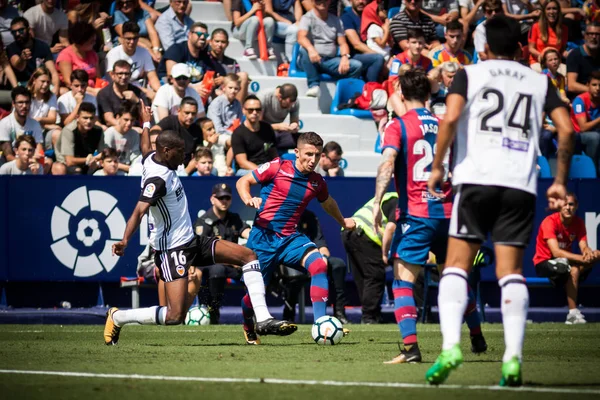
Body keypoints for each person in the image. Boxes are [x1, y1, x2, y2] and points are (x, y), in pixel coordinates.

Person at [424, 15, 574, 386]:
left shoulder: (469, 73)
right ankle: (511, 360)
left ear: (484, 47)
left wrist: (438, 166)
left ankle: (449, 348)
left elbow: (451, 117)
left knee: (456, 266)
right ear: (521, 49)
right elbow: (568, 129)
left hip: (475, 179)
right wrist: (558, 181)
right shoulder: (540, 81)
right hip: (519, 185)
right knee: (511, 273)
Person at [105, 100, 296, 346]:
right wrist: (124, 240)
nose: (185, 157)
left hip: (192, 242)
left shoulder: (152, 158)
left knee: (249, 256)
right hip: (172, 249)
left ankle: (263, 319)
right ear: (166, 152)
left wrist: (145, 122)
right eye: (179, 152)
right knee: (174, 316)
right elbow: (138, 211)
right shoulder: (157, 179)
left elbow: (145, 149)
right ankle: (118, 316)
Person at [374, 68, 486, 364]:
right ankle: (476, 334)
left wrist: (376, 202)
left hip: (417, 214)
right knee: (453, 279)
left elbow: (387, 164)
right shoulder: (445, 124)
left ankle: (410, 349)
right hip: (449, 214)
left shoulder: (398, 126)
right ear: (428, 94)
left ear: (399, 94)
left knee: (402, 282)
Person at [236, 131, 356, 344]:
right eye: (309, 154)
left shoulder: (317, 182)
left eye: (317, 155)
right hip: (263, 238)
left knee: (319, 265)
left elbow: (327, 202)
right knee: (253, 296)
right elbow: (243, 181)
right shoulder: (278, 166)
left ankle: (321, 324)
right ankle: (248, 324)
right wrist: (247, 199)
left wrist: (343, 221)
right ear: (297, 152)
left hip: (290, 238)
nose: (313, 160)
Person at [533, 192, 600, 324]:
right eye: (565, 204)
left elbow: (584, 246)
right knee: (564, 265)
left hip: (566, 265)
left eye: (571, 204)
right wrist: (582, 259)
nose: (568, 207)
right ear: (559, 207)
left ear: (576, 206)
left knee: (594, 255)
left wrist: (588, 253)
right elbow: (556, 252)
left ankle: (572, 314)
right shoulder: (549, 222)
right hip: (545, 263)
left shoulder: (579, 223)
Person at [275, 209, 350, 324]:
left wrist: (323, 257)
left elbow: (321, 244)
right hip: (291, 260)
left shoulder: (309, 216)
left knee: (337, 265)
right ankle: (288, 315)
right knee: (291, 272)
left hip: (314, 259)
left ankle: (339, 313)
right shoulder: (281, 216)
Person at [193, 183, 250, 323]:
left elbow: (247, 233)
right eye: (220, 198)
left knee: (253, 270)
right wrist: (233, 260)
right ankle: (214, 310)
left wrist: (257, 237)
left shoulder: (234, 218)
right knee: (217, 269)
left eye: (227, 198)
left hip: (232, 265)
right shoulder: (203, 221)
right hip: (211, 264)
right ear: (213, 199)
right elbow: (201, 251)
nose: (224, 201)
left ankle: (252, 313)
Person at [343, 193, 398, 324]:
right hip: (364, 234)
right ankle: (370, 317)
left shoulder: (387, 197)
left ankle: (371, 315)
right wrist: (386, 252)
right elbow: (391, 228)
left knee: (363, 277)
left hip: (347, 232)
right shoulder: (399, 201)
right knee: (375, 276)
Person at [297, 0, 363, 98]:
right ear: (312, 1)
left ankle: (347, 95)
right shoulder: (307, 18)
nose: (322, 2)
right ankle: (313, 85)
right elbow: (301, 37)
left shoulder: (336, 20)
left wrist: (345, 57)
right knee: (304, 50)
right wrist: (311, 49)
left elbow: (343, 43)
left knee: (357, 66)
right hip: (312, 59)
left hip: (329, 60)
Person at [106, 21, 161, 101]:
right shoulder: (113, 54)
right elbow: (115, 81)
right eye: (128, 39)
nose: (132, 42)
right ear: (122, 38)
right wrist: (144, 92)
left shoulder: (144, 52)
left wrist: (160, 93)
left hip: (139, 88)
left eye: (135, 38)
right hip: (119, 90)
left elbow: (152, 77)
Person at [158, 22, 212, 100]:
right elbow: (171, 76)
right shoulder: (176, 49)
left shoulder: (204, 55)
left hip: (193, 92)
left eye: (206, 35)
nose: (203, 37)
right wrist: (193, 88)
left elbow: (209, 76)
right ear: (189, 34)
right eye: (199, 34)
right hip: (170, 88)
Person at [7, 17, 60, 95]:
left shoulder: (43, 46)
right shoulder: (11, 48)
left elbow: (53, 72)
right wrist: (22, 59)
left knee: (63, 92)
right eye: (14, 32)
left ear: (28, 29)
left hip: (41, 83)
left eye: (21, 30)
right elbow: (19, 67)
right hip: (22, 84)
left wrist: (56, 89)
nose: (17, 34)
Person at [151, 96, 203, 173]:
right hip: (166, 165)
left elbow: (200, 151)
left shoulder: (197, 129)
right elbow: (153, 132)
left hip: (189, 167)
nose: (190, 116)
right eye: (187, 113)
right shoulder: (170, 121)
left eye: (193, 113)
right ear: (179, 110)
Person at [340, 0, 385, 84]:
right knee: (378, 59)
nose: (361, 1)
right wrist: (382, 58)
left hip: (373, 53)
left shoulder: (372, 15)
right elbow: (356, 44)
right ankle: (371, 89)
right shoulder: (347, 17)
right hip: (354, 56)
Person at [231, 95, 278, 176]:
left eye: (258, 109)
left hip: (266, 167)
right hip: (247, 171)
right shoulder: (238, 133)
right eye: (250, 110)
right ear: (243, 111)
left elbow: (273, 152)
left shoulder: (267, 128)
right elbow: (242, 162)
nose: (255, 112)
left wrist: (277, 166)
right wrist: (261, 171)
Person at [55, 101, 103, 175]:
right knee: (77, 171)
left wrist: (96, 161)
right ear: (77, 117)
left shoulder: (99, 131)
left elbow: (102, 154)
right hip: (66, 163)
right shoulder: (69, 130)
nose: (89, 121)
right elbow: (69, 161)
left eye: (91, 118)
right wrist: (89, 159)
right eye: (85, 118)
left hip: (88, 162)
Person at [97, 60, 147, 127]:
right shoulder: (104, 93)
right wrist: (130, 129)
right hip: (114, 130)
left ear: (130, 75)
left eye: (126, 74)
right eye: (120, 73)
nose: (123, 77)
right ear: (112, 75)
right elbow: (109, 120)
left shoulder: (138, 92)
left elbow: (147, 116)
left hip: (135, 131)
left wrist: (137, 101)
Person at [0, 87, 44, 163]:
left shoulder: (35, 124)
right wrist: (27, 162)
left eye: (27, 102)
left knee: (52, 164)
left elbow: (39, 151)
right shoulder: (4, 123)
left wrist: (34, 160)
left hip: (31, 163)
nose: (24, 106)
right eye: (20, 102)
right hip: (12, 165)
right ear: (13, 104)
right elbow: (9, 157)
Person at [56, 22, 101, 95]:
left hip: (93, 89)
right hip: (76, 90)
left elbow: (98, 78)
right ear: (81, 41)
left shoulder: (92, 54)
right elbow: (69, 82)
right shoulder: (65, 55)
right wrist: (92, 91)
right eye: (91, 42)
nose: (94, 43)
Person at [206, 28, 249, 103]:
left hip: (230, 95)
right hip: (210, 94)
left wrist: (225, 80)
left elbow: (239, 82)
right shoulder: (204, 59)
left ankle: (237, 110)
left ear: (227, 44)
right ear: (210, 42)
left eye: (223, 42)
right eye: (217, 41)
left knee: (243, 75)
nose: (219, 45)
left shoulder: (232, 62)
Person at [570, 71, 600, 175]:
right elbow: (582, 127)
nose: (598, 88)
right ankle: (593, 171)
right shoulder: (580, 101)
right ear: (588, 86)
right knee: (594, 137)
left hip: (595, 130)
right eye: (594, 85)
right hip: (578, 135)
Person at [99, 102, 141, 174]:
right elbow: (106, 158)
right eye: (126, 119)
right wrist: (128, 168)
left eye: (132, 120)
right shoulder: (109, 133)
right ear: (118, 117)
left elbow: (135, 157)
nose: (129, 123)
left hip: (128, 169)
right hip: (112, 169)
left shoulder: (135, 134)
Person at [528, 0, 568, 74]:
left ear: (558, 11)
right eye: (548, 9)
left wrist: (567, 53)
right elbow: (531, 48)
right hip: (538, 62)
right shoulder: (536, 26)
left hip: (555, 63)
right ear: (544, 12)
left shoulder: (564, 29)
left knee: (566, 71)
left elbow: (562, 49)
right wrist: (541, 56)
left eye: (554, 8)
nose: (551, 12)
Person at [258, 84, 300, 152]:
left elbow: (294, 121)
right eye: (287, 104)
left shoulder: (294, 102)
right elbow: (257, 125)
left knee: (303, 140)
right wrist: (277, 126)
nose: (290, 107)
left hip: (281, 133)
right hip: (264, 131)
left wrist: (294, 126)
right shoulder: (264, 97)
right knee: (271, 136)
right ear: (280, 97)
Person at [206, 73, 243, 147]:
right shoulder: (216, 104)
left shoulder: (237, 104)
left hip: (233, 133)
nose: (233, 91)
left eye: (236, 89)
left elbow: (239, 123)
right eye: (230, 88)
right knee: (234, 141)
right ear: (223, 88)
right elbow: (218, 129)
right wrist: (234, 134)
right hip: (217, 136)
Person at [566, 22, 600, 98]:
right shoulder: (575, 55)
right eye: (590, 34)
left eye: (597, 34)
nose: (594, 37)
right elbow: (571, 85)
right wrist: (593, 90)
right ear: (584, 36)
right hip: (580, 98)